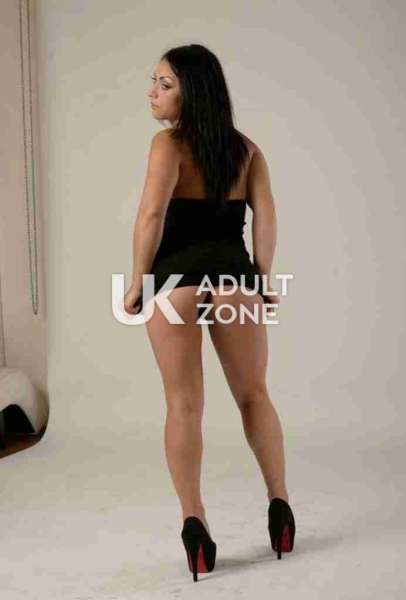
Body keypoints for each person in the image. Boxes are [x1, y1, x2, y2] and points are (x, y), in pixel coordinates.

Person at [124, 44, 296, 582]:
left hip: (175, 284)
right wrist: (262, 278)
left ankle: (195, 525)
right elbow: (265, 218)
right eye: (153, 81)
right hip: (234, 281)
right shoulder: (247, 151)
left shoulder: (167, 145)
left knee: (183, 405)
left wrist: (137, 280)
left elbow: (152, 215)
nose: (152, 93)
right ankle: (280, 506)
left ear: (192, 91)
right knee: (254, 395)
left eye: (165, 84)